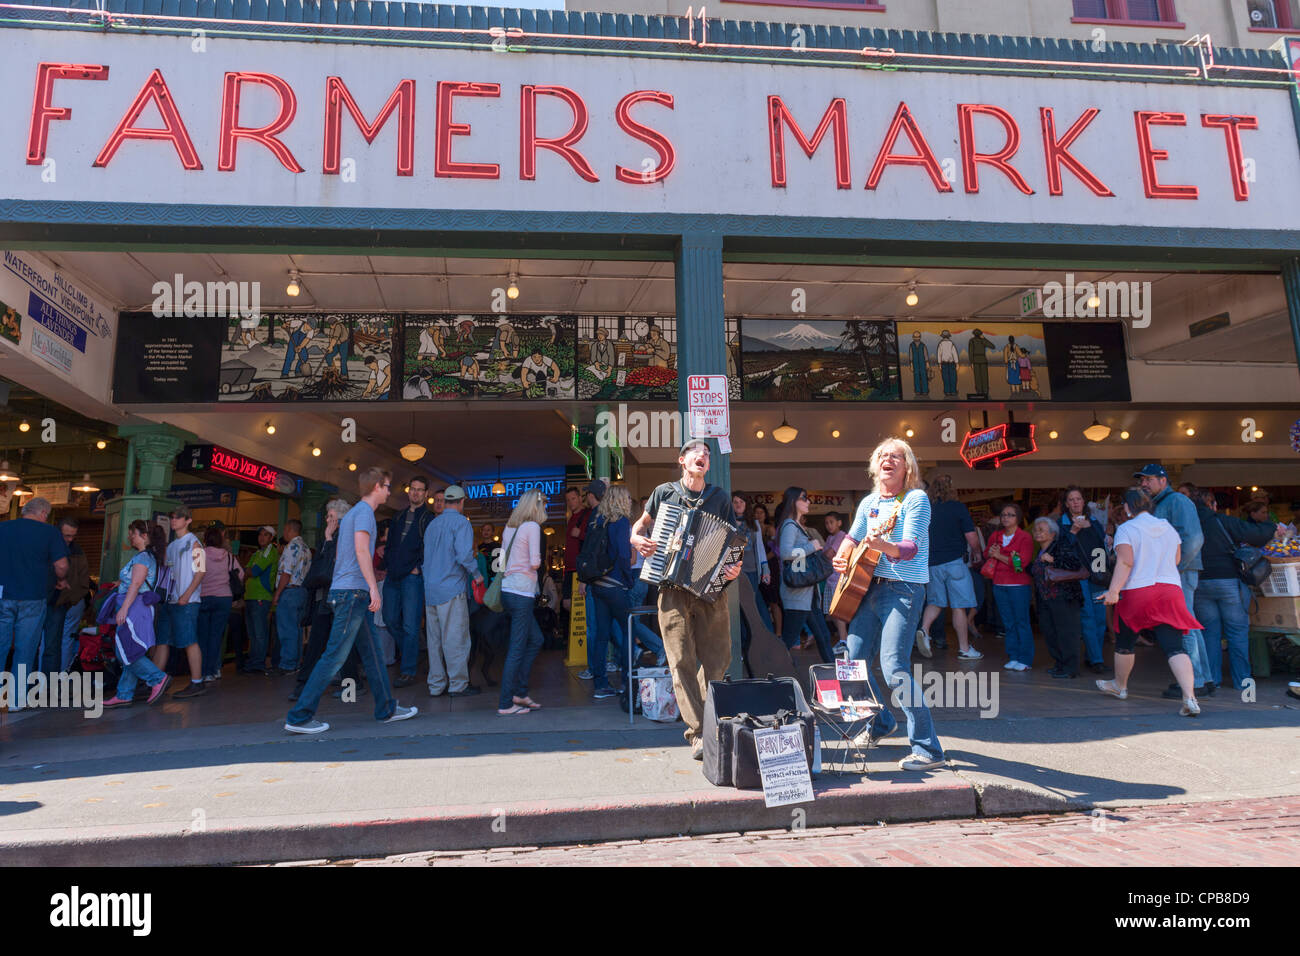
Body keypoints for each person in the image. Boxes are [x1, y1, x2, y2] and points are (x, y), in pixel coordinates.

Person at [832, 437, 944, 772]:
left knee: (894, 666)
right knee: (852, 662)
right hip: (868, 588)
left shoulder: (916, 500)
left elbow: (909, 548)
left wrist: (883, 544)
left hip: (904, 589)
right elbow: (852, 537)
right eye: (882, 455)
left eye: (896, 456)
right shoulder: (868, 503)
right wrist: (842, 553)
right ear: (874, 465)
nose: (888, 460)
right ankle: (880, 723)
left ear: (907, 466)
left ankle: (928, 748)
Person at [631, 439, 743, 759]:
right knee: (680, 659)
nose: (703, 456)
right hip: (672, 588)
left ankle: (709, 720)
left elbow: (731, 544)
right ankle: (697, 733)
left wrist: (733, 567)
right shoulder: (665, 493)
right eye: (696, 452)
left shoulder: (718, 497)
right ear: (682, 460)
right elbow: (641, 526)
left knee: (718, 659)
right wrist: (637, 537)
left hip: (710, 592)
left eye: (707, 454)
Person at [285, 468, 417, 734]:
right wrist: (373, 588)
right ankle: (299, 716)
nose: (390, 492)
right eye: (388, 486)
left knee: (373, 654)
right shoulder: (366, 514)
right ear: (377, 486)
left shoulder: (354, 513)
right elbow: (360, 551)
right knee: (334, 656)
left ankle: (386, 708)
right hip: (353, 594)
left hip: (347, 593)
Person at [1098, 488, 1204, 717]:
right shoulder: (1167, 527)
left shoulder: (1126, 528)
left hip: (1138, 590)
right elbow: (1176, 559)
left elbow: (1125, 562)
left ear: (1127, 507)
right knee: (1174, 646)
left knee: (1125, 641)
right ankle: (1190, 697)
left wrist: (1113, 590)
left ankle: (1120, 686)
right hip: (1170, 590)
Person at [1135, 464, 1212, 697]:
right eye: (1142, 480)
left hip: (1180, 572)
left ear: (1163, 480)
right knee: (1188, 624)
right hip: (1178, 571)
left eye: (1148, 479)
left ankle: (1194, 681)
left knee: (1182, 625)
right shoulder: (1161, 503)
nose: (1144, 484)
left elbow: (1194, 538)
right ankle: (1203, 679)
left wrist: (1174, 569)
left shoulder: (1177, 501)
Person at [1194, 491, 1282, 691]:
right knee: (1237, 632)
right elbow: (1256, 534)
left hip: (1200, 582)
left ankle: (1212, 680)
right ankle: (1242, 682)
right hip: (1228, 582)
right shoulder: (1222, 520)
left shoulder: (1187, 524)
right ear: (1214, 505)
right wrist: (1271, 525)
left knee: (1210, 633)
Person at [291, 498, 363, 702]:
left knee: (341, 646)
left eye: (330, 516)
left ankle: (351, 687)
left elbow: (334, 566)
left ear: (339, 520)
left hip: (340, 598)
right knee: (317, 644)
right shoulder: (328, 538)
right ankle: (303, 685)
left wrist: (329, 538)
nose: (326, 519)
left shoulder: (342, 538)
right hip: (326, 599)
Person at [0, 498, 68, 702]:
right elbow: (62, 565)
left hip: (2, 595)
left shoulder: (3, 528)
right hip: (33, 596)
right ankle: (16, 700)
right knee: (25, 647)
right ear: (44, 513)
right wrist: (61, 580)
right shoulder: (50, 533)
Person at [101, 520, 172, 709]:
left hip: (133, 607)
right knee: (129, 650)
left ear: (144, 536)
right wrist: (121, 583)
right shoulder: (149, 556)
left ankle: (157, 678)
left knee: (126, 650)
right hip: (139, 606)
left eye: (133, 533)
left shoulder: (142, 558)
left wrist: (124, 608)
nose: (130, 536)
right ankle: (124, 693)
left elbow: (136, 584)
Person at [423, 484, 484, 699]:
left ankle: (436, 684)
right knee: (455, 638)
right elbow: (464, 556)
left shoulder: (432, 525)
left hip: (430, 590)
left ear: (444, 501)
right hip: (451, 589)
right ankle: (457, 684)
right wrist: (477, 574)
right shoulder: (461, 523)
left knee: (434, 640)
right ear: (461, 502)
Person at [918, 475, 982, 660]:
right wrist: (977, 551)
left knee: (935, 602)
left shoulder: (926, 510)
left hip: (932, 564)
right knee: (959, 606)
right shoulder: (958, 507)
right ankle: (964, 649)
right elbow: (971, 537)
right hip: (955, 563)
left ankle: (924, 629)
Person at [497, 489, 549, 715]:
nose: (545, 509)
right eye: (544, 505)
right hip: (522, 593)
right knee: (516, 649)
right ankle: (506, 703)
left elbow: (500, 561)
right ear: (536, 507)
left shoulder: (509, 527)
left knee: (535, 639)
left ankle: (520, 692)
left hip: (508, 590)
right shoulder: (533, 527)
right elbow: (535, 562)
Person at [588, 485, 640, 699]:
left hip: (598, 584)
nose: (629, 500)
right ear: (621, 500)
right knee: (629, 631)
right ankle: (629, 682)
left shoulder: (597, 520)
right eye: (627, 497)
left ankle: (600, 684)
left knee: (601, 635)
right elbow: (623, 553)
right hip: (616, 584)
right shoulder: (621, 521)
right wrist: (627, 579)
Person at [153, 506, 208, 699]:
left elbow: (201, 571)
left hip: (187, 601)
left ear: (188, 520)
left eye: (177, 518)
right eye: (172, 517)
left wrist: (186, 594)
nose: (174, 520)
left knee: (189, 640)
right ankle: (153, 682)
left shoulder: (195, 543)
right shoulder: (172, 546)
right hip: (171, 600)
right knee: (162, 640)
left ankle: (197, 681)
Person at [385, 476, 434, 686]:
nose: (415, 493)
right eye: (412, 489)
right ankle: (412, 654)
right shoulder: (398, 516)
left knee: (411, 625)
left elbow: (431, 547)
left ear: (425, 494)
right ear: (408, 491)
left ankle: (408, 670)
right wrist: (387, 564)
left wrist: (419, 568)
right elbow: (390, 544)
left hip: (412, 577)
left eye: (419, 490)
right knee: (389, 619)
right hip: (393, 575)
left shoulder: (428, 518)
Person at [776, 486, 834, 663]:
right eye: (804, 498)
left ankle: (834, 674)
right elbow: (786, 553)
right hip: (797, 594)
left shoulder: (796, 526)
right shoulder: (789, 525)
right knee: (787, 641)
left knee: (823, 637)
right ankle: (773, 673)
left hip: (806, 593)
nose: (808, 501)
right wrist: (812, 546)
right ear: (794, 501)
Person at [1060, 486, 1110, 674]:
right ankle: (1096, 660)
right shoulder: (1063, 524)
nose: (1075, 502)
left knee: (1100, 619)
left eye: (1078, 499)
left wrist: (1109, 540)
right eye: (1071, 500)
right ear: (1066, 504)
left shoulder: (1095, 521)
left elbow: (1101, 543)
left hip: (1098, 574)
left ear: (1083, 501)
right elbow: (1062, 550)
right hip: (1078, 576)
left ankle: (1092, 656)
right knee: (1087, 617)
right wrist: (1073, 531)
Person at [1029, 517, 1085, 678]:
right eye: (1035, 529)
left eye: (1041, 529)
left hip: (1064, 598)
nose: (1037, 532)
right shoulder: (1039, 551)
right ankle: (1060, 664)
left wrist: (1054, 559)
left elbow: (1075, 564)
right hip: (1046, 600)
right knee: (1050, 633)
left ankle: (1070, 669)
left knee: (1067, 634)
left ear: (1053, 533)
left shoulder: (1061, 546)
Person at [985, 502, 1035, 670]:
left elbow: (1021, 564)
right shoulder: (996, 535)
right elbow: (987, 554)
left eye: (1010, 515)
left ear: (1018, 518)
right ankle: (1013, 656)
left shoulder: (1024, 537)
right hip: (998, 583)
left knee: (1021, 622)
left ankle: (1025, 659)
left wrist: (999, 556)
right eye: (1004, 515)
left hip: (1018, 585)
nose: (1006, 517)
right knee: (1008, 623)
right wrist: (996, 553)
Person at [41, 517, 90, 674]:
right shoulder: (78, 551)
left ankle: (49, 677)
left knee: (49, 640)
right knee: (62, 640)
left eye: (73, 536)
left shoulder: (49, 548)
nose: (70, 539)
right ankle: (55, 677)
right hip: (69, 600)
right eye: (67, 535)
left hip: (67, 601)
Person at [198, 525, 243, 682]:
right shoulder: (229, 556)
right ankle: (214, 670)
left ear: (205, 539)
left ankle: (202, 671)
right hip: (224, 598)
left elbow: (193, 576)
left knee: (202, 636)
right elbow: (241, 574)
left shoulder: (199, 554)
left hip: (203, 597)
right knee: (216, 635)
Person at [271, 519, 312, 675]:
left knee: (287, 629)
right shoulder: (306, 548)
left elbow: (286, 573)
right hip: (302, 591)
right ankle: (295, 663)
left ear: (289, 529)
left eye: (285, 530)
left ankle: (287, 664)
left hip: (289, 592)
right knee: (297, 630)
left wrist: (277, 594)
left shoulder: (291, 547)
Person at [733, 493, 774, 633]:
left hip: (752, 570)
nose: (738, 505)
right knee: (738, 607)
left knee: (754, 605)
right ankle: (743, 642)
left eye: (742, 502)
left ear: (746, 505)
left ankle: (765, 636)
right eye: (735, 502)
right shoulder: (728, 522)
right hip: (734, 571)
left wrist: (765, 569)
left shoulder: (754, 523)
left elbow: (760, 547)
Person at [243, 526, 279, 673]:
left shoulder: (270, 551)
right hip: (250, 596)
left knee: (259, 633)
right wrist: (248, 571)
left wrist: (248, 571)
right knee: (252, 633)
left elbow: (254, 571)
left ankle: (258, 663)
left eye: (266, 535)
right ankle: (254, 661)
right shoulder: (258, 552)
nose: (262, 537)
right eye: (260, 535)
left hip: (261, 597)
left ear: (272, 538)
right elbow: (246, 571)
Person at [822, 511, 848, 651]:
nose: (829, 525)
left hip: (837, 579)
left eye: (831, 522)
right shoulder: (830, 538)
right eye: (826, 523)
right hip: (830, 579)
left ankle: (844, 640)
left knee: (837, 612)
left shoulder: (841, 536)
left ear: (839, 522)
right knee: (832, 613)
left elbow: (829, 554)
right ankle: (843, 638)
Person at [967, 328, 993, 397]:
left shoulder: (971, 341)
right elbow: (992, 346)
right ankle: (985, 391)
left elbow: (970, 352)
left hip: (975, 361)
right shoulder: (983, 340)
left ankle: (979, 392)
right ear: (980, 334)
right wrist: (984, 338)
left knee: (977, 377)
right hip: (983, 360)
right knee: (984, 377)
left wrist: (971, 362)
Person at [936, 330, 959, 399]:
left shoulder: (940, 344)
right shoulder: (951, 344)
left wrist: (939, 363)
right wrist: (957, 363)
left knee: (945, 378)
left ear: (942, 336)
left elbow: (939, 354)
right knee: (953, 378)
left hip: (944, 364)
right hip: (951, 363)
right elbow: (954, 354)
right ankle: (953, 391)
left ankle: (947, 392)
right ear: (948, 336)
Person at [908, 330, 930, 396]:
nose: (916, 338)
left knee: (924, 376)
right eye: (915, 337)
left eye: (917, 337)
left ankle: (925, 391)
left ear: (920, 337)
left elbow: (925, 354)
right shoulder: (911, 345)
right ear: (913, 337)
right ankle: (917, 391)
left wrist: (927, 363)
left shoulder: (923, 345)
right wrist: (911, 364)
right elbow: (911, 355)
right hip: (915, 364)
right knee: (916, 377)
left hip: (922, 363)